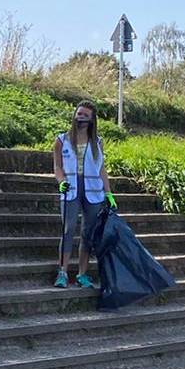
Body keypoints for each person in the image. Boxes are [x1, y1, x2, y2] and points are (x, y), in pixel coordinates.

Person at [53, 100, 116, 289]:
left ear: (91, 120)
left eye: (84, 115)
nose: (80, 117)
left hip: (93, 190)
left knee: (88, 233)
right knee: (68, 230)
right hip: (71, 189)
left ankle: (82, 273)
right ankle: (62, 272)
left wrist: (109, 192)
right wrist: (61, 181)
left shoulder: (97, 142)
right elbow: (57, 166)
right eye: (78, 114)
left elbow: (101, 168)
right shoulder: (61, 140)